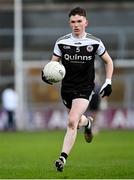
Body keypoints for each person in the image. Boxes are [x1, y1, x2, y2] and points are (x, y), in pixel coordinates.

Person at [42, 7, 114, 172]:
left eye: (79, 21)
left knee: (71, 121)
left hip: (85, 88)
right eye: (73, 22)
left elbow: (109, 61)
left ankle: (62, 158)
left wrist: (108, 81)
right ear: (69, 23)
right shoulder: (61, 42)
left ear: (86, 23)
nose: (76, 25)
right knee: (76, 120)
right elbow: (53, 65)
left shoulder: (95, 42)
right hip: (67, 88)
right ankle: (87, 123)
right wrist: (46, 75)